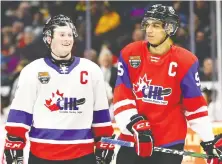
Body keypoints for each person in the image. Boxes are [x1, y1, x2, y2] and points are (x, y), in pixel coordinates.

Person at [113, 4, 222, 164]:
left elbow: (195, 107)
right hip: (133, 139)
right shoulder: (131, 53)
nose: (149, 30)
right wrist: (135, 125)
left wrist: (209, 142)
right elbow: (122, 97)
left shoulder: (185, 61)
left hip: (169, 142)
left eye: (156, 25)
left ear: (170, 28)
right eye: (147, 24)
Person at [3, 14, 114, 164]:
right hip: (42, 155)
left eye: (70, 35)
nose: (67, 39)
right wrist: (14, 142)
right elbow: (21, 112)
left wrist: (104, 139)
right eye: (62, 34)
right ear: (49, 39)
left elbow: (100, 113)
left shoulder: (91, 70)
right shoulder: (33, 70)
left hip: (82, 155)